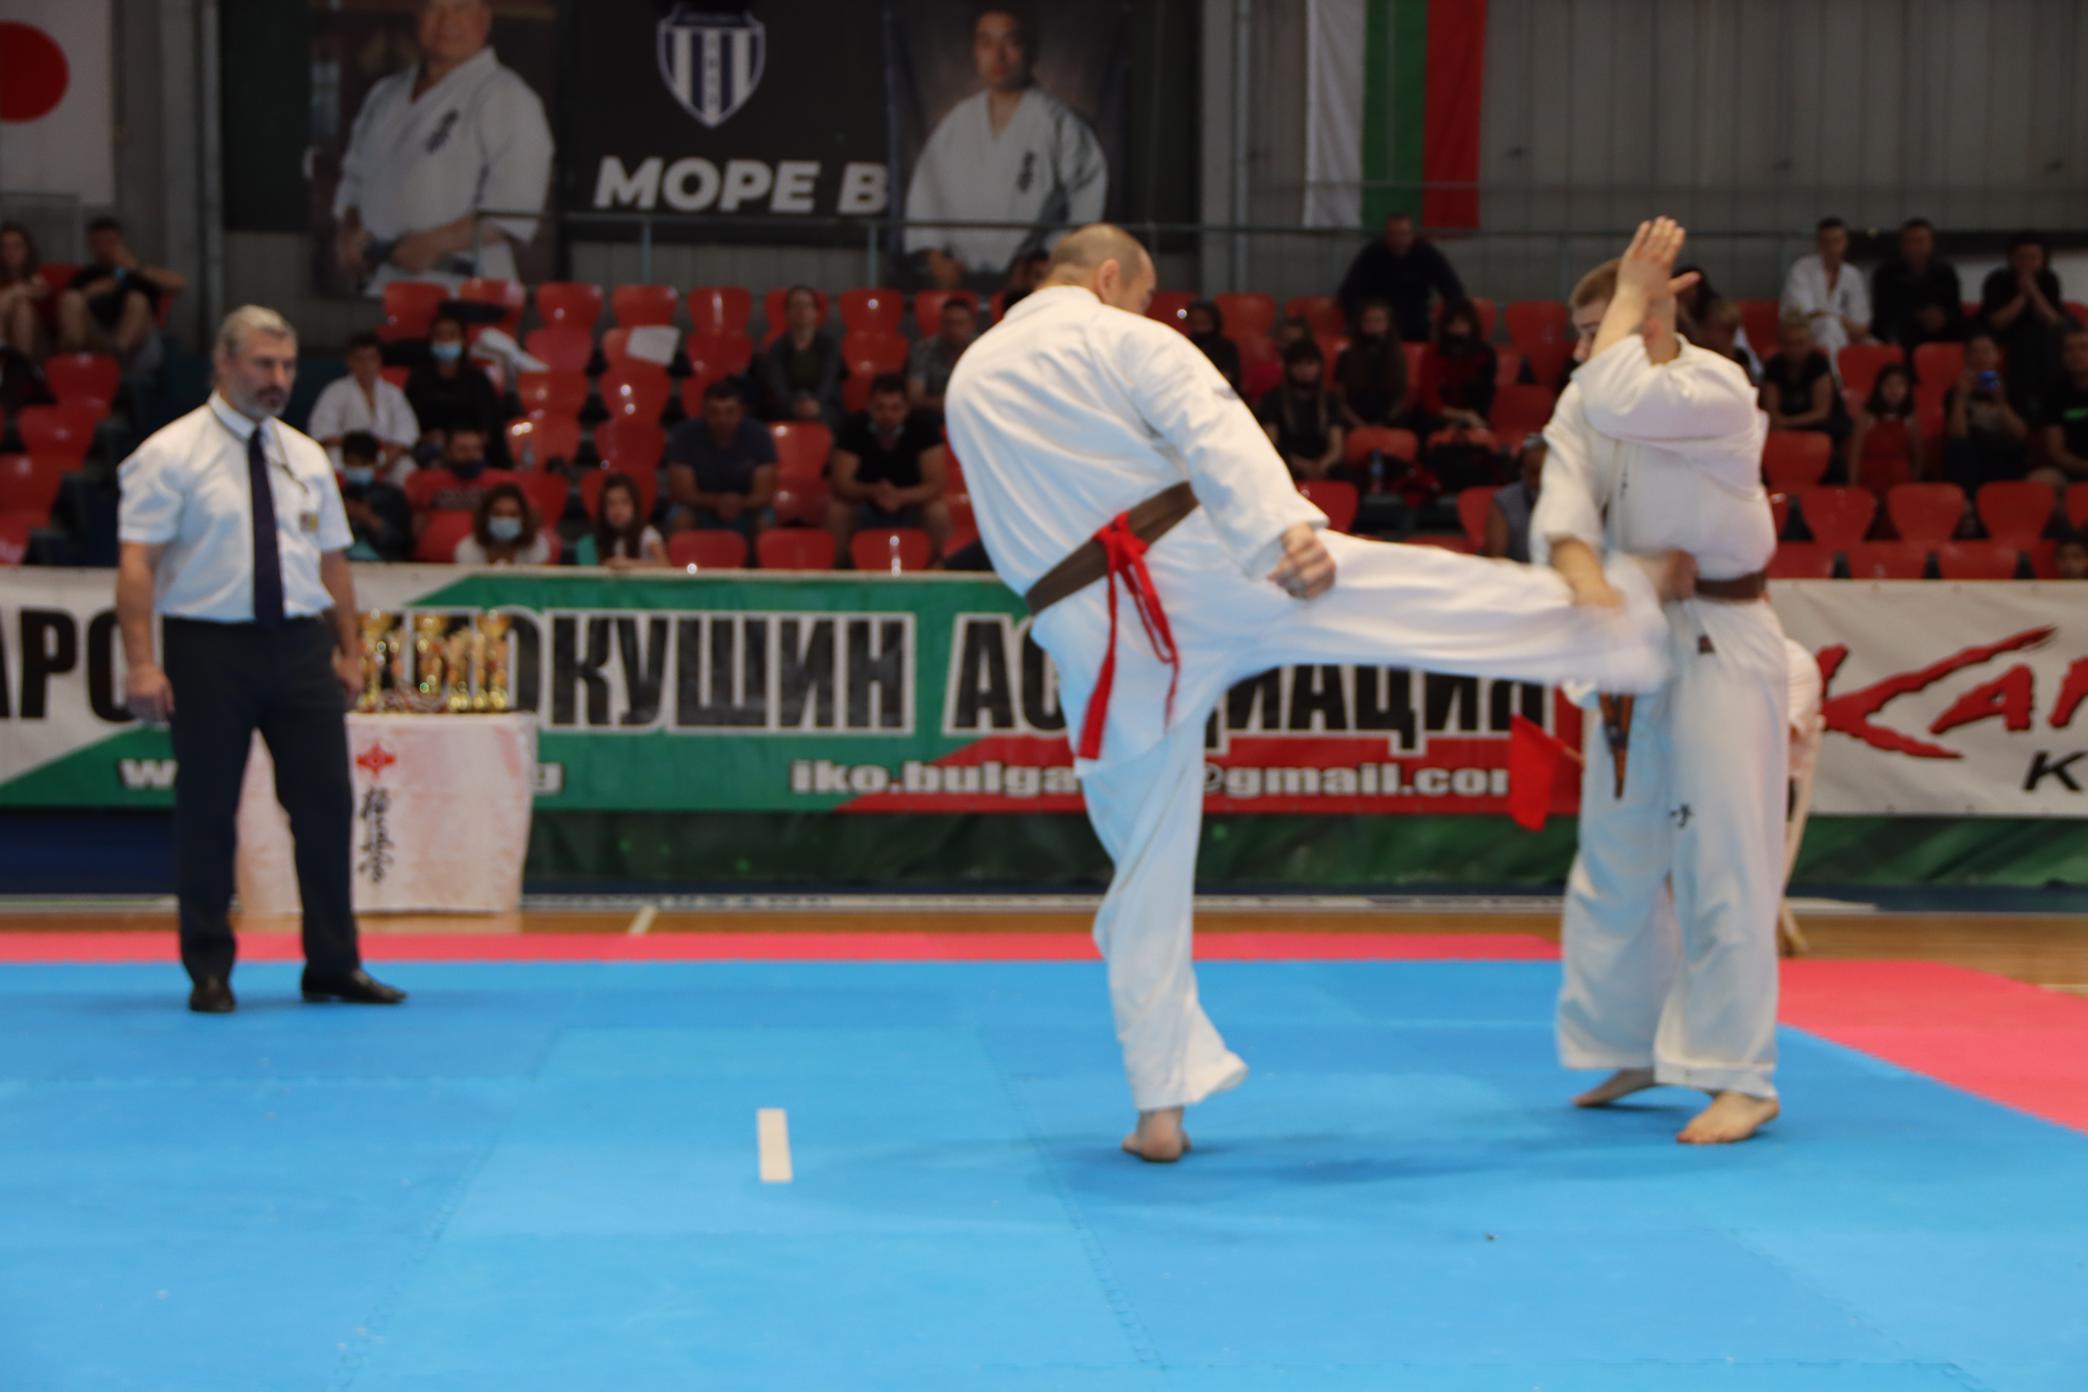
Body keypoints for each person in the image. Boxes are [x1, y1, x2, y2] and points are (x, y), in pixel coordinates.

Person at [942, 223, 1676, 1163]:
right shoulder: (1112, 332)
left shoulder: (971, 377)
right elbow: (1208, 417)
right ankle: (1620, 623)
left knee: (1145, 865)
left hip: (1091, 632)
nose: (1146, 309)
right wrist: (1284, 528)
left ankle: (1160, 1105)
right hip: (1190, 566)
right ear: (1110, 275)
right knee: (1405, 597)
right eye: (1145, 293)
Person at [1536, 218, 1786, 1147]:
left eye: (1593, 329)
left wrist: (1640, 293)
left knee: (1722, 857)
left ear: (1646, 319)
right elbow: (1563, 495)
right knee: (1618, 852)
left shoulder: (1716, 387)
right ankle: (1633, 1043)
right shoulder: (1586, 399)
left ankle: (1740, 1075)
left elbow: (1618, 394)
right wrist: (1588, 571)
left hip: (1722, 635)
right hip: (1631, 634)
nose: (1578, 352)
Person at [115, 306, 406, 1014]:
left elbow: (332, 562)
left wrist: (349, 651)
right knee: (208, 811)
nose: (278, 378)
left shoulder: (304, 455)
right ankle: (209, 968)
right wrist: (143, 664)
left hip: (300, 646)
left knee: (326, 805)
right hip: (208, 646)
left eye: (287, 366)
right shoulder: (170, 453)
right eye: (263, 364)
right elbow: (138, 564)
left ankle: (333, 963)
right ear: (223, 363)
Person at [331, 0, 554, 296]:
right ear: (418, 16)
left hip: (463, 288)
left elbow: (514, 208)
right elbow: (353, 181)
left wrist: (433, 243)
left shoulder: (506, 95)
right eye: (434, 8)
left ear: (484, 19)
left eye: (460, 8)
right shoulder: (385, 94)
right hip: (381, 285)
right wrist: (348, 232)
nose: (447, 22)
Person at [903, 5, 1106, 288]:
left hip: (1029, 277)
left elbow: (1086, 202)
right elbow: (926, 195)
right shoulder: (958, 122)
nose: (998, 56)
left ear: (1031, 50)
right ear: (975, 51)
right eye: (986, 43)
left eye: (1011, 42)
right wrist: (936, 257)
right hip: (960, 278)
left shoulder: (1059, 123)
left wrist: (1046, 256)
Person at [828, 374, 953, 555]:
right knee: (837, 510)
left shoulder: (924, 428)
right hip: (865, 504)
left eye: (895, 408)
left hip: (912, 505)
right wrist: (874, 492)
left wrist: (900, 496)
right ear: (869, 406)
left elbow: (936, 485)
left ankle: (940, 567)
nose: (888, 415)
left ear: (906, 408)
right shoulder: (852, 427)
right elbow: (841, 484)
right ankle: (838, 569)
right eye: (880, 407)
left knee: (937, 511)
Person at [57, 217, 187, 369]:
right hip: (97, 338)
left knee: (137, 300)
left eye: (110, 242)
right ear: (90, 247)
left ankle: (114, 357)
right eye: (98, 243)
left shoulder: (141, 273)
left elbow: (180, 284)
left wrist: (136, 267)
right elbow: (67, 311)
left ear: (122, 243)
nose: (105, 249)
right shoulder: (85, 276)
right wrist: (89, 292)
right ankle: (76, 360)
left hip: (138, 342)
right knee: (71, 298)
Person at [661, 379, 779, 537]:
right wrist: (717, 502)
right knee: (680, 516)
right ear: (704, 412)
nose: (722, 419)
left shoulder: (759, 435)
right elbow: (683, 493)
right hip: (700, 508)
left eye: (729, 411)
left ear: (741, 412)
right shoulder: (684, 435)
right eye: (714, 412)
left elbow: (764, 494)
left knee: (766, 519)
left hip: (746, 509)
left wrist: (738, 503)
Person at [1335, 212, 1466, 342]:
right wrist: (1359, 320)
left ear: (1413, 234)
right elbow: (1349, 292)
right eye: (1393, 234)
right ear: (1386, 235)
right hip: (1377, 325)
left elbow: (1454, 290)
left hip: (1416, 324)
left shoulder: (1427, 253)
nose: (1398, 239)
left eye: (1403, 233)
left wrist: (1447, 323)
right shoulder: (1372, 254)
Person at [1980, 233, 2073, 413]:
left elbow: (2053, 320)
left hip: (2042, 335)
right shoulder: (1997, 279)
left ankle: (2054, 402)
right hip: (2006, 333)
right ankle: (2023, 406)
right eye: (2021, 257)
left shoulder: (2049, 279)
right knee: (2026, 341)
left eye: (2033, 258)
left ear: (2043, 260)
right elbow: (1997, 322)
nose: (2027, 263)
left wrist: (2034, 292)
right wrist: (2022, 296)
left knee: (2052, 336)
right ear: (2011, 258)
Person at [308, 332, 420, 477]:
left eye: (372, 358)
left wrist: (392, 452)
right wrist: (359, 447)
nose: (366, 365)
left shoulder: (393, 393)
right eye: (360, 359)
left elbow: (406, 430)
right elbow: (323, 431)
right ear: (349, 361)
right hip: (348, 454)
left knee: (406, 467)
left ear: (380, 361)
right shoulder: (335, 391)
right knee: (332, 460)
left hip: (383, 454)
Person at [405, 312, 509, 462]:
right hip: (431, 449)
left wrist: (465, 443)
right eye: (439, 335)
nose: (445, 340)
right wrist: (426, 438)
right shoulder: (418, 379)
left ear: (463, 340)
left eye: (452, 335)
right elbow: (408, 425)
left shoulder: (477, 379)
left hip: (472, 449)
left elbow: (489, 427)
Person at [1941, 332, 2031, 491]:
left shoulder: (2013, 389)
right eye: (1974, 352)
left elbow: (2020, 434)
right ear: (1966, 358)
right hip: (1972, 455)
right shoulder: (1954, 393)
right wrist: (1960, 398)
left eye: (1986, 351)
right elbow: (1957, 435)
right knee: (1958, 448)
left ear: (1997, 355)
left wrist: (2001, 402)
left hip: (2003, 453)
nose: (1980, 358)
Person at [1759, 310, 1850, 466]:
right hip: (1784, 430)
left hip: (1821, 429)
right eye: (1789, 343)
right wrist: (1781, 422)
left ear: (1810, 342)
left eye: (1800, 343)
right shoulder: (1774, 366)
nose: (1794, 349)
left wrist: (1787, 422)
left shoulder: (1819, 364)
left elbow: (1821, 413)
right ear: (1781, 344)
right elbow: (1771, 410)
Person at [1780, 216, 1870, 365]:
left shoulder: (1853, 275)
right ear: (1818, 243)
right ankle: (1832, 376)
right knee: (1828, 327)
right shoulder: (1801, 269)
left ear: (1845, 242)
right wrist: (1839, 321)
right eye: (1826, 241)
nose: (1831, 247)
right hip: (1805, 336)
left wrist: (1835, 320)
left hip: (1847, 338)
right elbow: (1803, 317)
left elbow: (1861, 327)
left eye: (1836, 241)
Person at [404, 426, 517, 543]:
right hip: (436, 550)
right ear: (448, 452)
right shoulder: (427, 481)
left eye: (476, 449)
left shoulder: (501, 482)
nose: (471, 455)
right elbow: (418, 523)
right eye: (462, 450)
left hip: (485, 550)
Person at [755, 286, 845, 428]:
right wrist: (794, 405)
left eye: (807, 305)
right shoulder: (777, 347)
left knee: (829, 417)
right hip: (788, 406)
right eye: (796, 305)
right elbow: (779, 385)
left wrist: (816, 403)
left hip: (823, 405)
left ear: (816, 312)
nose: (802, 310)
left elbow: (829, 381)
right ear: (787, 313)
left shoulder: (830, 345)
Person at [1869, 217, 1965, 350]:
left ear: (1931, 244)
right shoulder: (1886, 273)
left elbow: (1954, 307)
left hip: (1940, 330)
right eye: (1909, 241)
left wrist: (1943, 317)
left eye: (1920, 241)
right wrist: (1918, 315)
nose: (1914, 247)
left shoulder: (1945, 272)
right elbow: (1883, 312)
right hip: (1902, 330)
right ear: (1901, 245)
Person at [1257, 340, 1345, 482]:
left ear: (1319, 367)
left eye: (1310, 363)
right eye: (1297, 364)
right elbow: (1271, 443)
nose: (1304, 369)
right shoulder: (1273, 399)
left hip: (1323, 464)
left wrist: (1321, 465)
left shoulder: (1330, 400)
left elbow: (1336, 447)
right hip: (1287, 461)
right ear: (1288, 367)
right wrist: (1303, 466)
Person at [1417, 300, 1497, 431]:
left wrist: (1465, 420)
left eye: (1463, 322)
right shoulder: (1432, 353)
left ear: (1472, 325)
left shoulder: (1485, 355)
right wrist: (1462, 416)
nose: (1457, 328)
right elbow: (1430, 400)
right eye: (1452, 323)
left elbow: (1485, 396)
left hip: (1473, 416)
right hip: (1436, 417)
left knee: (1481, 431)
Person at [1334, 300, 1415, 429]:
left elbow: (1402, 399)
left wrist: (1384, 423)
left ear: (1388, 324)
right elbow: (1340, 400)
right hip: (1353, 421)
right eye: (1367, 321)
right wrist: (1360, 425)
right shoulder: (1346, 356)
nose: (1372, 325)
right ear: (1360, 324)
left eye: (1378, 320)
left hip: (1390, 421)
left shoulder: (1398, 357)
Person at [338, 431, 415, 562]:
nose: (357, 468)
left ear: (374, 462)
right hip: (342, 563)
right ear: (344, 462)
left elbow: (402, 542)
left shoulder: (392, 497)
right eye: (352, 462)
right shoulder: (336, 497)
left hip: (385, 564)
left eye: (363, 463)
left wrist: (368, 518)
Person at [1848, 363, 1924, 492]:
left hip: (1901, 486)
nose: (1893, 390)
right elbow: (1855, 456)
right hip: (1870, 483)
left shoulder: (1911, 419)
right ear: (1879, 388)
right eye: (1888, 384)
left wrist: (1913, 488)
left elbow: (1918, 458)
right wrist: (1853, 489)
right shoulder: (1866, 417)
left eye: (1899, 384)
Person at [574, 473, 667, 568]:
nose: (618, 510)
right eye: (611, 504)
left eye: (624, 502)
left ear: (634, 506)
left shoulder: (647, 534)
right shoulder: (596, 541)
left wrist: (627, 564)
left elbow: (665, 565)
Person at [907, 296, 978, 416]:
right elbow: (915, 398)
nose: (954, 329)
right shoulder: (923, 349)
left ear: (972, 325)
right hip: (932, 416)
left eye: (960, 323)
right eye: (949, 323)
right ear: (941, 324)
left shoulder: (982, 350)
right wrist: (951, 403)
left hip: (973, 413)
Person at [452, 481, 551, 564]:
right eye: (497, 514)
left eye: (513, 515)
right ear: (485, 517)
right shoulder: (467, 549)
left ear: (524, 518)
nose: (505, 520)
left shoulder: (537, 546)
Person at [2037, 327, 2088, 484]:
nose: (2076, 354)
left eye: (2083, 348)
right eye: (2068, 349)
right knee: (2039, 481)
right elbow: (2056, 452)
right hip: (2070, 471)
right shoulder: (2053, 392)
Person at [1483, 435, 1544, 562]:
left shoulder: (1578, 499)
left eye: (1547, 473)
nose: (1542, 480)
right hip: (1517, 572)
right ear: (1522, 471)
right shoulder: (1505, 500)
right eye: (1535, 472)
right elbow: (1496, 559)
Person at [0, 222, 54, 360]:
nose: (10, 252)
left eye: (16, 246)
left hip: (39, 346)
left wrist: (17, 292)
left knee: (22, 307)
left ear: (27, 249)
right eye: (4, 246)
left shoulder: (41, 277)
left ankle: (21, 366)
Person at [1690, 297, 1759, 380]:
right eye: (1707, 327)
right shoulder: (1696, 357)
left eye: (1714, 328)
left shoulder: (1741, 358)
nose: (1706, 333)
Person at [1183, 301, 1242, 393]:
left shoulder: (1227, 346)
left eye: (1204, 322)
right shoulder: (1185, 345)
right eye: (1194, 323)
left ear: (1214, 322)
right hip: (1190, 393)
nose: (1199, 327)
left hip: (1219, 395)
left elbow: (1226, 378)